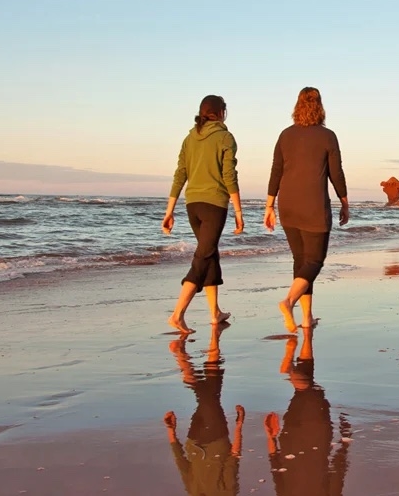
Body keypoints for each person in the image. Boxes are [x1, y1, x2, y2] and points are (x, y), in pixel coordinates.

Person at [264, 87, 349, 332]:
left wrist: (269, 206)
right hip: (314, 206)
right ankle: (288, 302)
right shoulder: (328, 136)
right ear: (320, 106)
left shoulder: (285, 135)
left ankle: (306, 317)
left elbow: (276, 172)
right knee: (315, 261)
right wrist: (344, 202)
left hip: (288, 205)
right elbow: (336, 173)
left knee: (301, 262)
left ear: (297, 106)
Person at [162, 95, 244, 333]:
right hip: (214, 205)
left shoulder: (189, 138)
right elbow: (229, 176)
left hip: (192, 206)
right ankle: (178, 314)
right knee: (202, 257)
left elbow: (180, 174)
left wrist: (169, 212)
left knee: (210, 255)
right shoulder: (225, 137)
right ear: (221, 113)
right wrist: (239, 211)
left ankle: (214, 312)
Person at [264, 326, 351, 496]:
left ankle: (289, 370)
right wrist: (271, 437)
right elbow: (276, 468)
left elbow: (339, 470)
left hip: (316, 438)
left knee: (310, 391)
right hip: (290, 441)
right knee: (304, 390)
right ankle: (307, 334)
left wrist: (345, 441)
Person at [163, 324, 245, 495]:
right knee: (213, 391)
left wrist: (239, 426)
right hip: (196, 441)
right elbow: (182, 465)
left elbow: (234, 458)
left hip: (213, 437)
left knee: (207, 398)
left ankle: (181, 356)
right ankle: (215, 336)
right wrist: (171, 433)